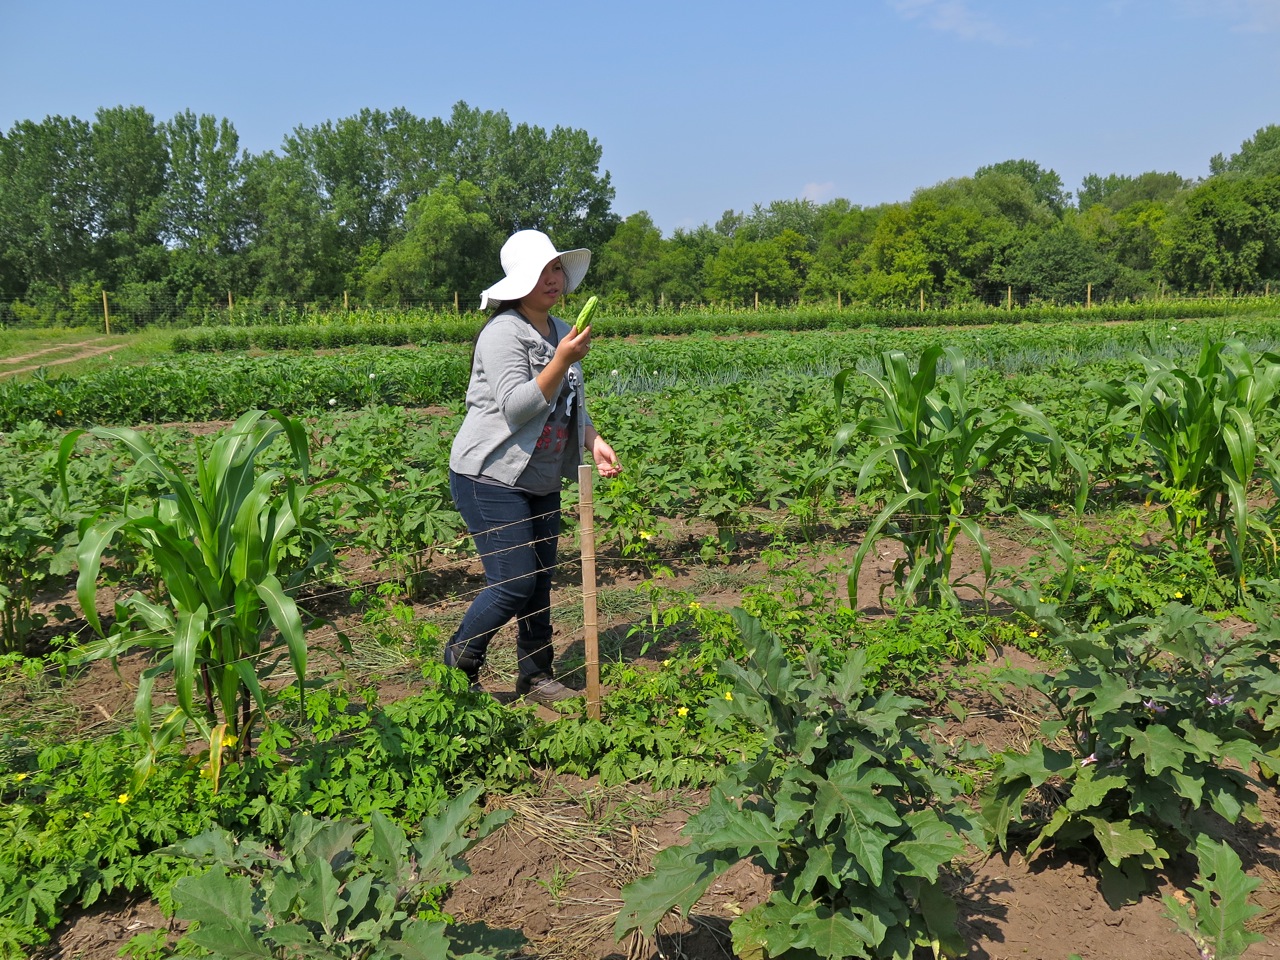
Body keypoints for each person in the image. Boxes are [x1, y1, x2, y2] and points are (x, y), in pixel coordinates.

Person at [444, 229, 622, 704]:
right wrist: (561, 360)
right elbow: (516, 407)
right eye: (542, 271)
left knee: (540, 581)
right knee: (514, 580)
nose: (553, 278)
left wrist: (594, 438)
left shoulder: (563, 330)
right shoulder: (503, 333)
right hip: (489, 476)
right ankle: (457, 664)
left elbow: (569, 404)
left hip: (540, 477)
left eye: (557, 268)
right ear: (519, 281)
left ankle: (535, 675)